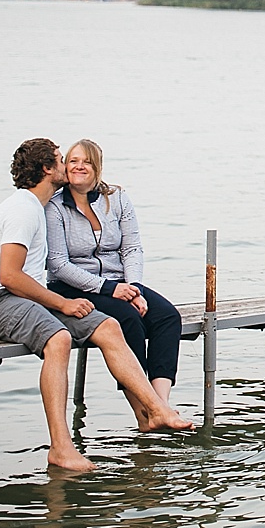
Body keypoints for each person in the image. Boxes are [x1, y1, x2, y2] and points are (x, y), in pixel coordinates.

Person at [0, 137, 193, 472]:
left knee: (108, 325)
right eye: (62, 160)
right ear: (48, 169)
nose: (68, 166)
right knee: (59, 339)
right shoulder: (25, 209)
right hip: (0, 302)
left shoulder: (47, 205)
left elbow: (131, 247)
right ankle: (61, 448)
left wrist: (128, 287)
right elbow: (9, 276)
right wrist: (63, 302)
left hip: (30, 298)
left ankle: (156, 409)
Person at [45, 139, 182, 405]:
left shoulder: (116, 198)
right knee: (128, 319)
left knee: (167, 317)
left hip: (119, 281)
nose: (79, 166)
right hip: (74, 287)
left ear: (97, 167)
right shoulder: (55, 207)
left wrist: (134, 289)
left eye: (86, 161)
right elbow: (58, 265)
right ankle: (143, 403)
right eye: (73, 161)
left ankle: (161, 401)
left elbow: (132, 249)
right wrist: (111, 289)